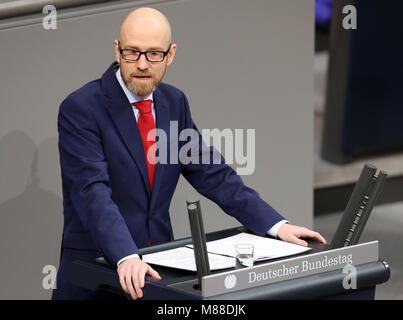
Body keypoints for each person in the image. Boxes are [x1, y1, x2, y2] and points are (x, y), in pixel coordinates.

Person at [52, 7, 326, 300]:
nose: (143, 64)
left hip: (157, 274)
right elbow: (92, 193)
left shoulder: (174, 102)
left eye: (154, 54)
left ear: (170, 55)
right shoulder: (81, 108)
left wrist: (276, 225)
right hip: (100, 272)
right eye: (133, 52)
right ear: (117, 51)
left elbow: (211, 173)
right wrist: (125, 255)